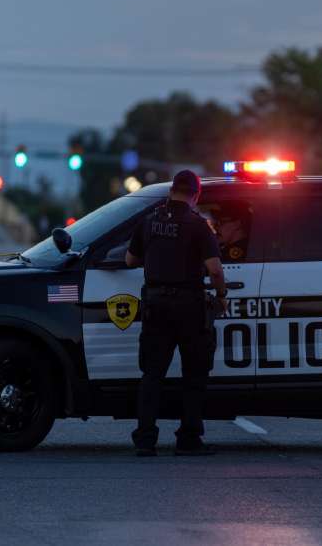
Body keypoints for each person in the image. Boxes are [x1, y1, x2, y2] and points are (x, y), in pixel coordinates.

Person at [125, 169, 228, 457]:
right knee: (194, 374)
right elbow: (215, 270)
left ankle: (145, 440)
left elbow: (130, 259)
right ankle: (188, 439)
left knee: (152, 374)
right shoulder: (198, 227)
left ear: (171, 191)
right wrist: (221, 296)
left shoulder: (148, 221)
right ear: (196, 195)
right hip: (189, 307)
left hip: (155, 305)